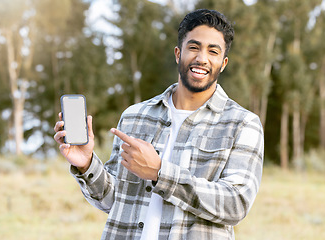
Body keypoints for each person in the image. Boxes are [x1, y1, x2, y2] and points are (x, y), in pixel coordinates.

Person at [54, 9, 264, 240]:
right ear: (178, 53)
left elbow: (236, 204)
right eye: (193, 47)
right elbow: (114, 200)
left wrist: (160, 173)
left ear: (223, 63)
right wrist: (86, 165)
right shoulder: (135, 116)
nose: (202, 58)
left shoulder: (243, 124)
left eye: (213, 51)